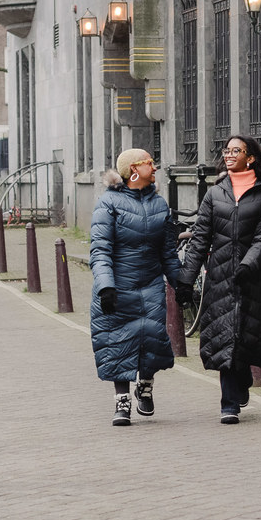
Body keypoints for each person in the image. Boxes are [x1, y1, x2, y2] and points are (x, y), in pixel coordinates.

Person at [176, 134, 261, 424]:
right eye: (227, 150)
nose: (230, 154)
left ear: (251, 158)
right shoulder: (215, 193)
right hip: (220, 274)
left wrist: (248, 264)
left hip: (251, 276)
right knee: (223, 332)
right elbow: (199, 239)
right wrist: (186, 279)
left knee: (245, 333)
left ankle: (243, 376)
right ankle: (228, 403)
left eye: (237, 150)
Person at [89, 148, 181, 427]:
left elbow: (168, 252)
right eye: (149, 164)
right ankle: (122, 401)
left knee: (153, 338)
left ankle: (146, 384)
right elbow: (100, 249)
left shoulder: (159, 204)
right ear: (133, 170)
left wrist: (182, 285)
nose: (155, 168)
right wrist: (106, 286)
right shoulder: (108, 203)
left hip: (151, 283)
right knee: (117, 341)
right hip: (118, 286)